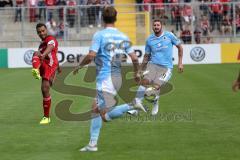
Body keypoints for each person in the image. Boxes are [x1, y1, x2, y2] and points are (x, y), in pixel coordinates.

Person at [73, 6, 146, 152]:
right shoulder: (123, 36)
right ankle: (92, 144)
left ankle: (132, 104)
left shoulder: (99, 35)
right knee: (95, 108)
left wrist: (79, 66)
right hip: (117, 77)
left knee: (104, 115)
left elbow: (91, 56)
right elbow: (134, 58)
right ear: (116, 18)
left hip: (106, 78)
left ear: (102, 18)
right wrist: (137, 73)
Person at [128, 19, 183, 116]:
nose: (156, 27)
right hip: (152, 66)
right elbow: (146, 56)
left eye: (158, 25)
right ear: (152, 27)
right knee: (144, 82)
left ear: (161, 26)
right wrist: (140, 70)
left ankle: (155, 103)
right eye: (154, 25)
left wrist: (180, 63)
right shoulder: (149, 39)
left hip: (166, 68)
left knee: (155, 87)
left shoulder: (169, 35)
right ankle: (136, 108)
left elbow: (180, 47)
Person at [31, 23, 60, 124]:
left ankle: (37, 71)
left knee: (46, 87)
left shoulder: (50, 38)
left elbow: (51, 47)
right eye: (39, 32)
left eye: (43, 31)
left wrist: (43, 54)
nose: (41, 33)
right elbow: (53, 54)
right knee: (35, 53)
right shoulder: (41, 44)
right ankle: (46, 117)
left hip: (51, 65)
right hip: (45, 65)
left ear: (46, 30)